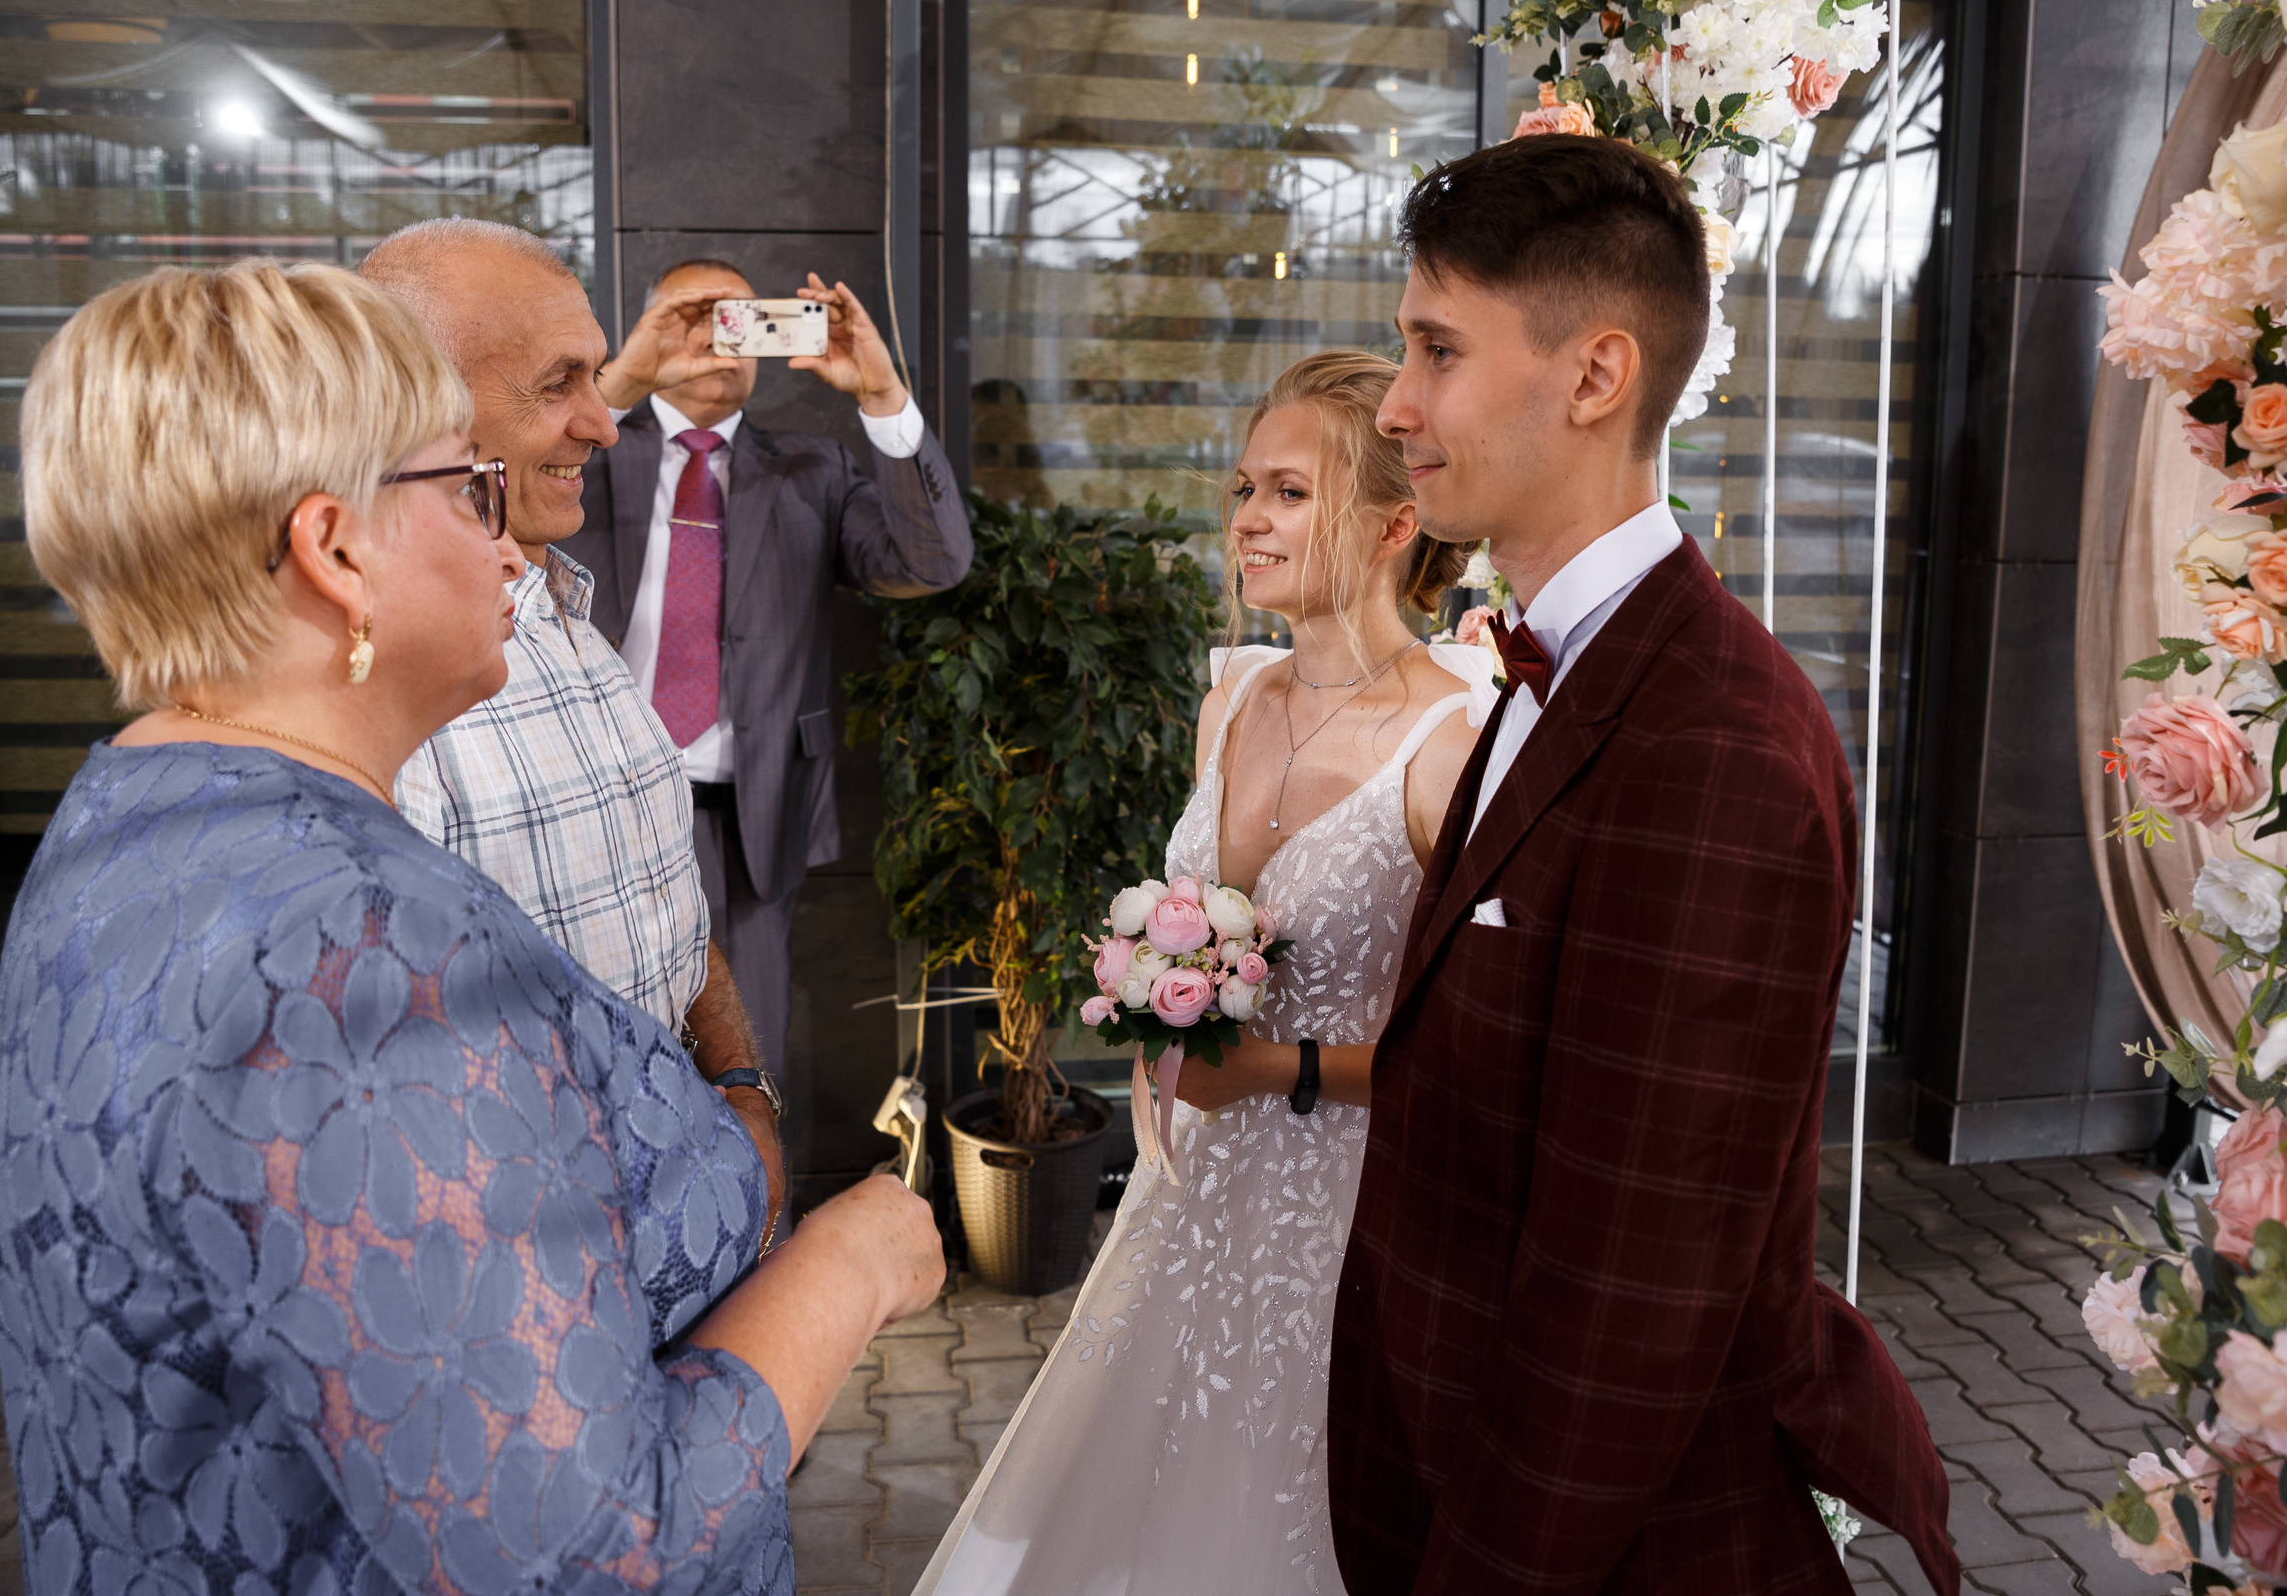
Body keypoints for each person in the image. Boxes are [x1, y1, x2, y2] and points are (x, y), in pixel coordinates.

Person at [0, 260, 943, 1596]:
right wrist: (854, 1258)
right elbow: (607, 1549)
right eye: (469, 487)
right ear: (334, 550)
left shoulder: (132, 820)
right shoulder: (355, 947)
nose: (511, 538)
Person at [1325, 135, 1958, 1594]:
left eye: (1435, 350)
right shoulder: (1572, 662)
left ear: (1596, 375)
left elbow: (1627, 1304)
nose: (1399, 407)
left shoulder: (1712, 746)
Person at [915, 352, 1489, 1595]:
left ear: (1397, 525)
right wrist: (1154, 997)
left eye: (1288, 491)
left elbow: (1478, 1059)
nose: (1245, 518)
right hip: (1190, 1195)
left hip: (1347, 1224)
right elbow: (1202, 921)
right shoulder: (1228, 700)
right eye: (1242, 486)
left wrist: (1264, 1071)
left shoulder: (1457, 746)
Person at [352, 221, 787, 1227]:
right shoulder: (376, 687)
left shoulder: (560, 603)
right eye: (560, 386)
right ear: (420, 403)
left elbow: (658, 901)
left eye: (600, 378)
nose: (603, 423)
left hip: (681, 1202)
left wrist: (740, 1091)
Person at [561, 257, 973, 1115]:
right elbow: (481, 484)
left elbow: (932, 562)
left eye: (747, 319)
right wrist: (623, 379)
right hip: (599, 808)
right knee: (592, 1048)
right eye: (699, 316)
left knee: (749, 1064)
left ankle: (759, 1243)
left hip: (753, 817)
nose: (723, 337)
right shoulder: (580, 455)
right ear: (650, 329)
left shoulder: (809, 469)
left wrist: (883, 395)